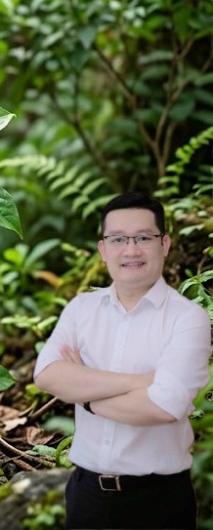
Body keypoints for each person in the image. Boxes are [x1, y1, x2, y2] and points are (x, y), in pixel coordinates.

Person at [34, 192, 211, 530]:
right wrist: (140, 382)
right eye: (118, 239)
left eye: (144, 237)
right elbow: (46, 375)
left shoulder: (188, 319)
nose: (131, 250)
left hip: (159, 502)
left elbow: (164, 406)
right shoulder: (81, 309)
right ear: (103, 250)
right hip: (87, 496)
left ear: (165, 244)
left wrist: (84, 392)